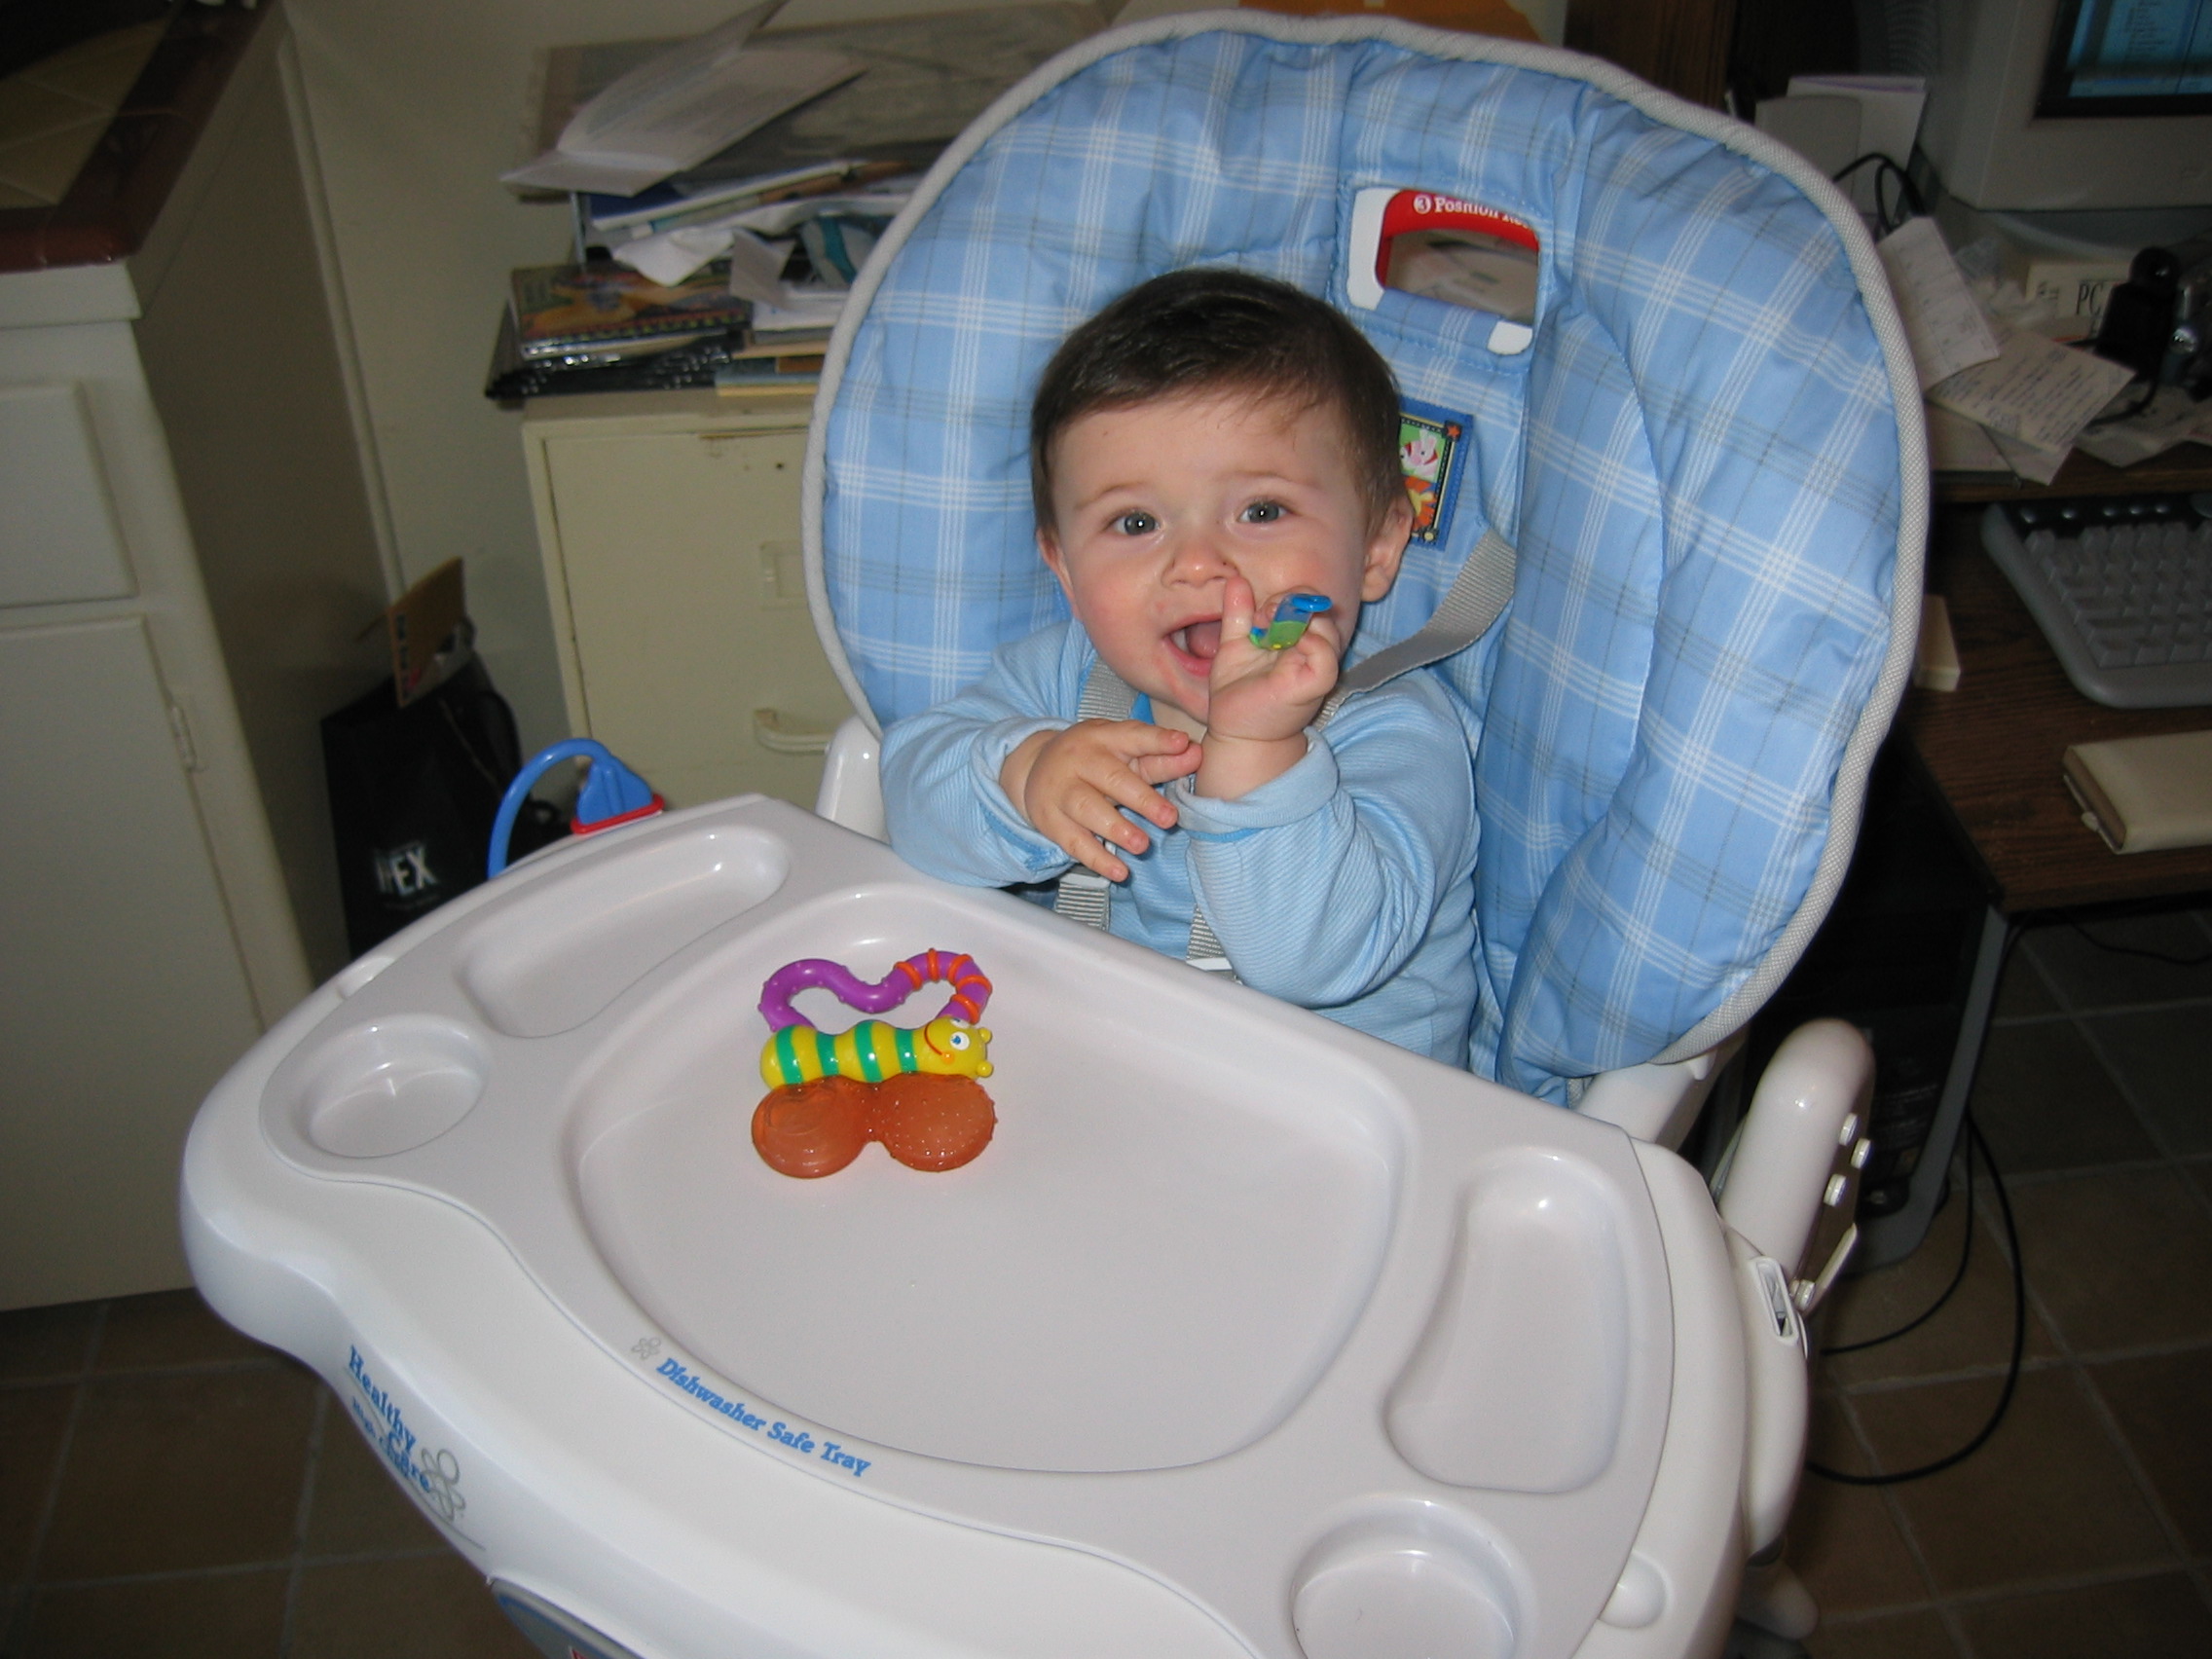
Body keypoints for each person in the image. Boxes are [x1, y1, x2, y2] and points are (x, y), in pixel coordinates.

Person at [881, 268, 1477, 1062]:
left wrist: (1258, 749)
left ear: (1376, 548)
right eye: (1136, 522)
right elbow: (910, 797)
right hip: (1105, 1063)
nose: (1196, 563)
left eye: (1260, 511)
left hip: (1336, 1106)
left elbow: (1315, 959)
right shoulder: (1065, 680)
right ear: (1065, 570)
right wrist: (1021, 779)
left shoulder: (1397, 731)